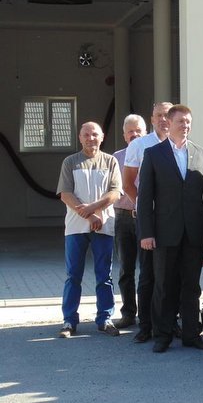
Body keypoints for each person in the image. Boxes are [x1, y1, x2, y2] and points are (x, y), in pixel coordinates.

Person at [137, 104, 203, 353]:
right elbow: (145, 197)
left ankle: (191, 334)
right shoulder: (153, 154)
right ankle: (162, 335)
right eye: (180, 121)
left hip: (194, 232)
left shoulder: (201, 153)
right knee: (164, 285)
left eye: (188, 121)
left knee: (191, 286)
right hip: (164, 233)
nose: (185, 125)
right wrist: (146, 233)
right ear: (168, 123)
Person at [57, 122, 122, 338]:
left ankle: (105, 319)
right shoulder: (70, 162)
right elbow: (65, 194)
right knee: (73, 275)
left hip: (103, 226)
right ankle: (69, 320)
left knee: (104, 275)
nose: (90, 138)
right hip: (76, 227)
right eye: (86, 134)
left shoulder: (110, 161)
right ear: (80, 137)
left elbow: (115, 193)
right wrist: (89, 214)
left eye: (94, 134)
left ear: (102, 137)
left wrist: (94, 209)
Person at [123, 101, 173, 343]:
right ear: (151, 119)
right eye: (159, 115)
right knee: (148, 274)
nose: (164, 119)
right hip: (149, 219)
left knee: (171, 273)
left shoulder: (180, 145)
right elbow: (128, 183)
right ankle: (146, 325)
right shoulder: (140, 145)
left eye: (168, 115)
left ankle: (170, 322)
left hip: (173, 220)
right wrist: (144, 209)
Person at [112, 114, 145, 329]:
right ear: (124, 135)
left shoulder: (152, 154)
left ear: (145, 133)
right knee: (126, 268)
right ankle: (128, 313)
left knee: (148, 269)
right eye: (130, 131)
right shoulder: (116, 158)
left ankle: (148, 313)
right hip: (123, 217)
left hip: (145, 218)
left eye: (138, 131)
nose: (134, 134)